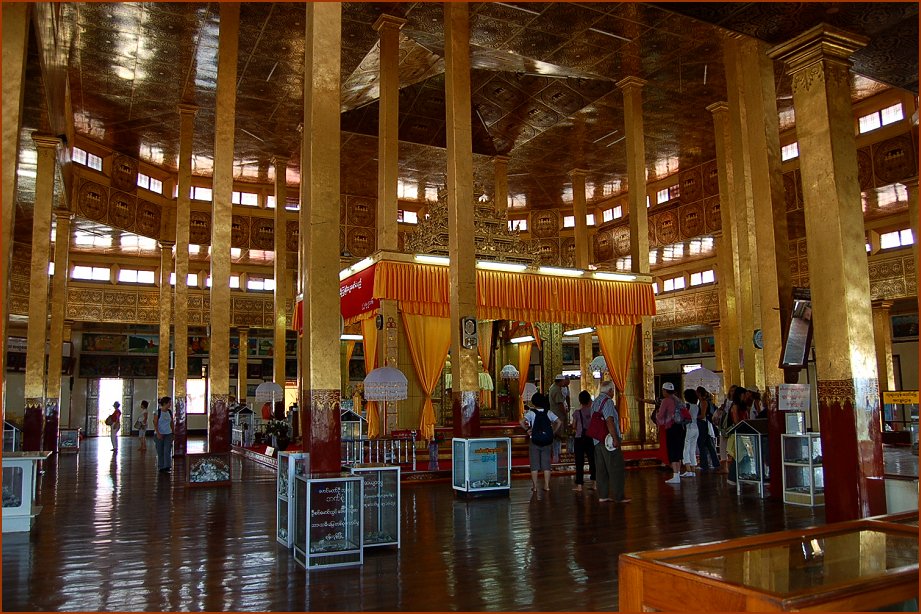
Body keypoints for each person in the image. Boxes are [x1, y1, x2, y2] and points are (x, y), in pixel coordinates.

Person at [591, 381, 629, 503]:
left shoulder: (595, 401)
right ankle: (619, 496)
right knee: (615, 467)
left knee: (601, 469)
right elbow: (609, 420)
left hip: (596, 439)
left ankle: (603, 494)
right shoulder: (607, 402)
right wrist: (615, 438)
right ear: (610, 390)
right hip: (607, 440)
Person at [519, 392, 561, 492]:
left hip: (534, 440)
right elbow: (559, 422)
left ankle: (534, 487)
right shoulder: (548, 412)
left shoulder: (531, 413)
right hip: (547, 441)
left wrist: (527, 430)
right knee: (546, 464)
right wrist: (553, 432)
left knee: (534, 464)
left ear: (534, 402)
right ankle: (546, 486)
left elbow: (521, 421)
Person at [655, 382, 684, 484]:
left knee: (672, 451)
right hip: (680, 427)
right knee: (678, 450)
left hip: (671, 427)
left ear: (664, 391)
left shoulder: (666, 401)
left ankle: (675, 475)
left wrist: (657, 415)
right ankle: (678, 473)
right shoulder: (678, 400)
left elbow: (660, 415)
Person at [570, 390, 596, 492]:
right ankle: (595, 483)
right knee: (592, 460)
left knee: (579, 462)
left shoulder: (577, 413)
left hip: (580, 438)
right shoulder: (593, 412)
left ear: (580, 401)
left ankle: (579, 485)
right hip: (591, 438)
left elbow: (574, 426)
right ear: (589, 400)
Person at [695, 387, 720, 472]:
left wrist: (694, 416)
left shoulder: (703, 402)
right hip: (706, 424)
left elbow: (702, 415)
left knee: (702, 444)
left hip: (703, 424)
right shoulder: (706, 402)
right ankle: (715, 463)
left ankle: (704, 464)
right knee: (709, 445)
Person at [548, 374, 569, 464]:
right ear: (560, 381)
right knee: (558, 435)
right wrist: (565, 413)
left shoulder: (552, 387)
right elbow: (560, 404)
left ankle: (557, 454)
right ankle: (557, 455)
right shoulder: (556, 390)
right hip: (558, 415)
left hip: (554, 415)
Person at [680, 389, 700, 477]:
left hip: (689, 428)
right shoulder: (696, 406)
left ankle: (688, 469)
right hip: (696, 428)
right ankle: (693, 470)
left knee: (686, 448)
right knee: (692, 449)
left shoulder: (687, 405)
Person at [154, 396, 174, 473]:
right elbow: (155, 423)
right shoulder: (157, 412)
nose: (170, 404)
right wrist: (158, 433)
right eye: (169, 403)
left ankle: (167, 466)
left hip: (168, 433)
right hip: (159, 434)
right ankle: (161, 466)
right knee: (160, 450)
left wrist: (173, 433)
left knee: (167, 450)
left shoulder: (169, 412)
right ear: (165, 403)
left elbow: (171, 422)